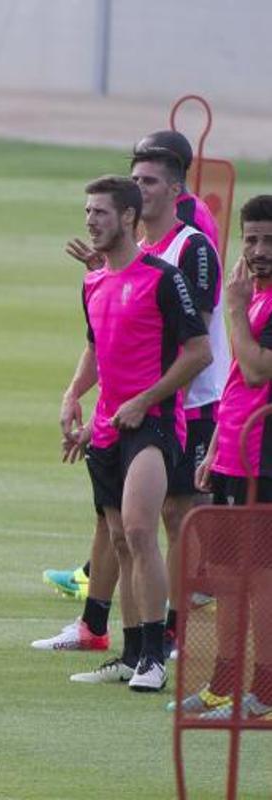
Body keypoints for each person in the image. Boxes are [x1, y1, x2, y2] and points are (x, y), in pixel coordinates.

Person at [33, 150, 225, 666]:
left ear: (174, 189)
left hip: (187, 403)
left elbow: (191, 341)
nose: (142, 187)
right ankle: (102, 629)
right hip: (120, 413)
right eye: (135, 178)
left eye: (150, 180)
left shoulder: (187, 251)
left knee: (172, 517)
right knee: (116, 526)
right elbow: (105, 340)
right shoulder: (115, 264)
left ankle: (169, 638)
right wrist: (78, 395)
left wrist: (147, 400)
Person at [175, 195, 272, 721]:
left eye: (270, 240)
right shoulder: (257, 296)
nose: (259, 250)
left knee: (261, 580)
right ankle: (226, 684)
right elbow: (240, 384)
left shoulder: (254, 301)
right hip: (236, 454)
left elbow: (258, 370)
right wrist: (214, 447)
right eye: (252, 239)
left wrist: (232, 307)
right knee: (231, 576)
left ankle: (267, 692)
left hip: (266, 461)